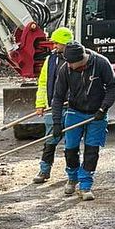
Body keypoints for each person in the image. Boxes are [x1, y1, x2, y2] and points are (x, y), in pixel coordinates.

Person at [50, 41, 115, 201]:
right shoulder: (65, 69)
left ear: (81, 59)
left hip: (97, 114)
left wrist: (103, 108)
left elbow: (113, 86)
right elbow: (58, 97)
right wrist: (56, 122)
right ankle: (72, 177)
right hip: (75, 112)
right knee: (70, 149)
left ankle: (85, 185)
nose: (69, 65)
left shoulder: (101, 63)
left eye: (71, 63)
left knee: (92, 151)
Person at [32, 26, 74, 184]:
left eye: (57, 43)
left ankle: (72, 174)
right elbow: (43, 83)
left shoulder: (77, 58)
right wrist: (40, 103)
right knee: (50, 139)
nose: (54, 46)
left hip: (72, 107)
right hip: (53, 106)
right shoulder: (50, 60)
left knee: (71, 144)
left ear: (65, 43)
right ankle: (44, 170)